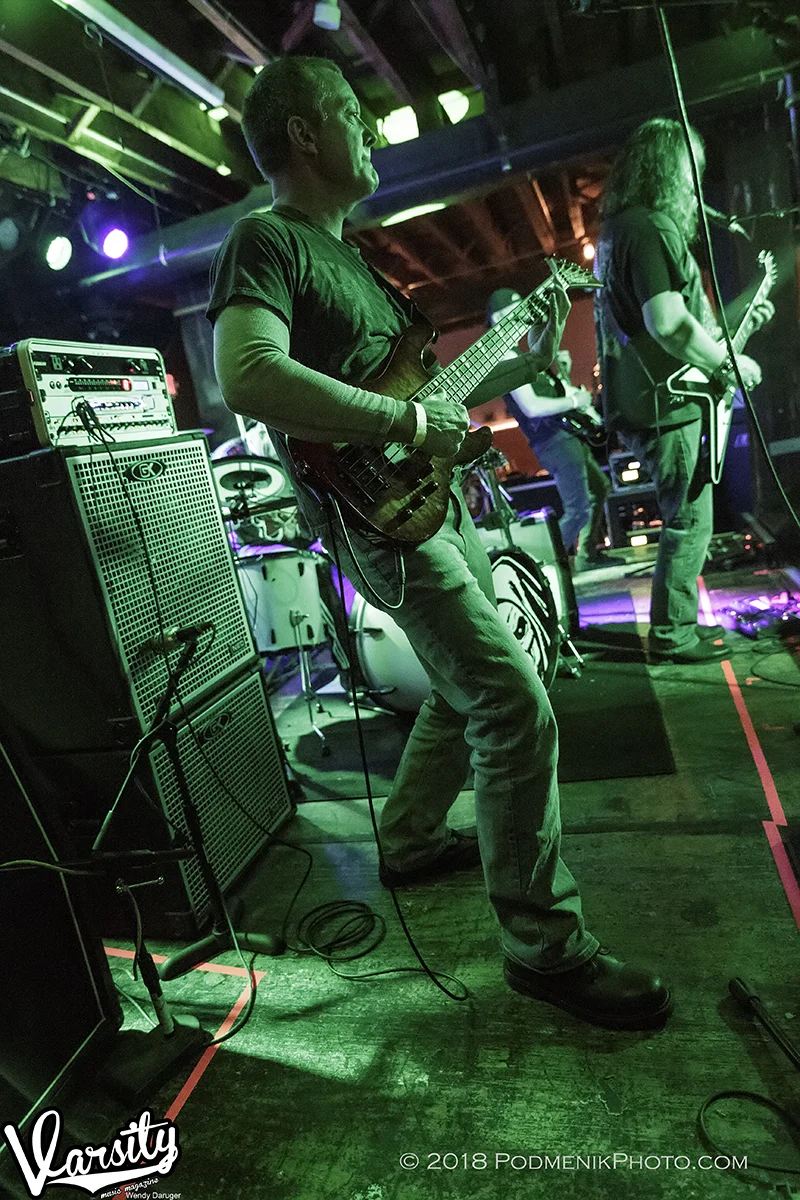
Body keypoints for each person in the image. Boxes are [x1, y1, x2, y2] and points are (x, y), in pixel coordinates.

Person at [208, 55, 671, 1030]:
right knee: (513, 703)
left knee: (470, 690)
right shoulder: (268, 239)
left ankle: (412, 837)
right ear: (303, 134)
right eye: (352, 111)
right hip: (381, 513)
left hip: (430, 497)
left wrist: (527, 359)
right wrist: (410, 425)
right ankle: (544, 947)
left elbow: (430, 398)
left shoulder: (351, 259)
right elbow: (247, 375)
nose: (371, 128)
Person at [594, 117, 774, 663]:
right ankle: (672, 636)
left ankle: (676, 629)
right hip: (665, 404)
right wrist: (732, 364)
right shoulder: (648, 229)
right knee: (689, 519)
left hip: (653, 397)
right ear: (670, 171)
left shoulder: (622, 229)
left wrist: (742, 320)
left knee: (689, 516)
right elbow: (669, 325)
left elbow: (679, 329)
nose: (698, 183)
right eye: (692, 170)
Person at [487, 288, 612, 571]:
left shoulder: (522, 353)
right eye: (514, 311)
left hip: (566, 435)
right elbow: (532, 407)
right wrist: (574, 401)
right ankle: (540, 569)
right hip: (553, 440)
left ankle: (586, 555)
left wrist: (564, 373)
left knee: (600, 489)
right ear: (497, 318)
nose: (522, 317)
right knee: (578, 510)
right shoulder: (505, 357)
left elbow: (552, 394)